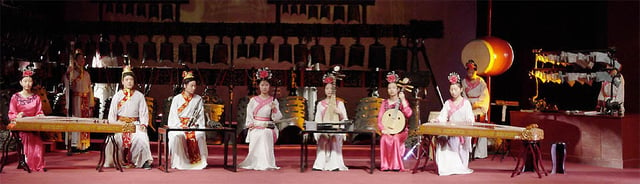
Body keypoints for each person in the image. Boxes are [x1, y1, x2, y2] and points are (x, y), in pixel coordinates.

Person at [103, 65, 153, 169]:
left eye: (131, 79)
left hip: (135, 124)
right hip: (119, 124)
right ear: (122, 82)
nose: (129, 82)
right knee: (113, 139)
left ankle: (143, 161)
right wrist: (113, 125)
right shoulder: (117, 96)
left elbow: (144, 112)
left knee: (141, 138)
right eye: (126, 79)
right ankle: (114, 161)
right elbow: (112, 114)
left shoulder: (139, 95)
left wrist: (143, 124)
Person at [429, 72, 474, 176]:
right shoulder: (447, 103)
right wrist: (436, 120)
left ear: (461, 90)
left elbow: (470, 118)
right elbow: (442, 117)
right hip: (451, 130)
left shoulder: (466, 103)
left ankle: (458, 166)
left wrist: (466, 123)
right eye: (451, 89)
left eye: (455, 89)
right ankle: (446, 167)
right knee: (442, 139)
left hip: (462, 131)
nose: (453, 92)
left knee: (455, 140)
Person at [239, 67, 283, 170]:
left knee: (265, 133)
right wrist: (251, 124)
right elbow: (249, 115)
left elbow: (276, 118)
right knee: (257, 133)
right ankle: (255, 162)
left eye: (266, 85)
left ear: (270, 86)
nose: (264, 87)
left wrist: (274, 109)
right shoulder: (253, 100)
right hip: (256, 125)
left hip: (267, 126)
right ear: (259, 86)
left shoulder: (273, 100)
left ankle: (266, 163)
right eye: (262, 85)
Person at [167, 71, 208, 170]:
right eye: (191, 86)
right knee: (177, 136)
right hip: (179, 125)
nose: (194, 88)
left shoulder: (198, 99)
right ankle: (180, 162)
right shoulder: (177, 99)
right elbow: (173, 116)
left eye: (195, 86)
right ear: (185, 85)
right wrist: (180, 125)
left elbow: (200, 116)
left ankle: (200, 161)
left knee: (199, 135)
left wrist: (196, 125)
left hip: (193, 125)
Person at [8, 68, 46, 171]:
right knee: (27, 137)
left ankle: (37, 164)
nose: (28, 84)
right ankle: (27, 162)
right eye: (25, 81)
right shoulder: (15, 97)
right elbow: (11, 113)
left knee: (38, 141)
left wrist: (39, 116)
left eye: (30, 81)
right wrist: (18, 115)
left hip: (33, 126)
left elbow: (39, 111)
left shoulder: (36, 97)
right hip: (21, 127)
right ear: (21, 82)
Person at [312, 74, 348, 171]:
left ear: (334, 90)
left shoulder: (339, 103)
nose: (329, 90)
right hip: (324, 129)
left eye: (331, 88)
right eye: (327, 88)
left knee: (334, 136)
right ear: (324, 90)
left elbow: (345, 119)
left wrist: (339, 113)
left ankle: (334, 164)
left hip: (336, 129)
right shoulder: (320, 104)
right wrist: (320, 129)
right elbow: (318, 119)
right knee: (323, 137)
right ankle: (320, 164)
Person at [377, 71, 412, 171]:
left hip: (401, 131)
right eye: (389, 88)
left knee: (396, 139)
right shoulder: (384, 103)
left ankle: (396, 165)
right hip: (388, 129)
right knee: (384, 138)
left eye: (393, 88)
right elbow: (380, 119)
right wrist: (383, 129)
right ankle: (385, 165)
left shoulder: (401, 102)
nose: (391, 90)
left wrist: (404, 100)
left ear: (397, 89)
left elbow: (408, 114)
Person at [64, 48, 94, 152]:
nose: (82, 61)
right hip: (76, 100)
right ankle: (74, 144)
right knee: (75, 120)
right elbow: (67, 83)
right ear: (76, 60)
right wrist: (68, 74)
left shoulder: (86, 74)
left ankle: (84, 144)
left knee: (85, 122)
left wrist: (91, 103)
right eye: (80, 59)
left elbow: (90, 88)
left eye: (83, 59)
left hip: (85, 100)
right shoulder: (73, 73)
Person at [462, 60, 489, 159]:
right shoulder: (464, 82)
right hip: (468, 105)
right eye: (469, 71)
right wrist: (467, 104)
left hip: (478, 106)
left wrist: (478, 104)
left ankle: (479, 152)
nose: (471, 73)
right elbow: (463, 95)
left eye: (472, 71)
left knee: (481, 128)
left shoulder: (481, 81)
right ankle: (466, 150)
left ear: (476, 71)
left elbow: (485, 96)